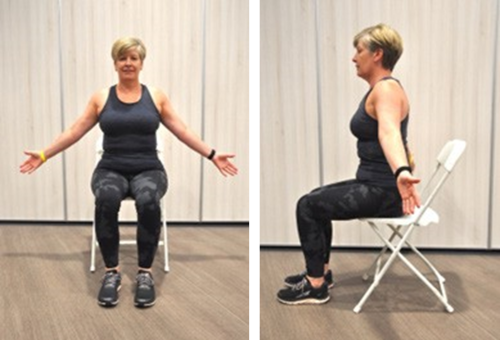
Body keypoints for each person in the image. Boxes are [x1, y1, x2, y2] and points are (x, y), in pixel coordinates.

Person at [19, 37, 238, 308]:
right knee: (107, 199)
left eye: (133, 58)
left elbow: (182, 130)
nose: (128, 63)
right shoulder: (101, 97)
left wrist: (213, 155)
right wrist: (43, 155)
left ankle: (145, 274)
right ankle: (112, 273)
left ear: (141, 63)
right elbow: (74, 131)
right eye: (122, 58)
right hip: (110, 168)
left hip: (149, 169)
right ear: (115, 63)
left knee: (148, 201)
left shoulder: (156, 96)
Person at [276, 24, 420, 305]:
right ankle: (321, 272)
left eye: (359, 50)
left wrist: (402, 172)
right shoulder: (383, 89)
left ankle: (315, 285)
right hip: (376, 184)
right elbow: (399, 138)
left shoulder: (386, 89)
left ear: (377, 54)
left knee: (307, 206)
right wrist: (406, 164)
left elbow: (389, 132)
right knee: (314, 199)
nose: (354, 57)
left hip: (383, 191)